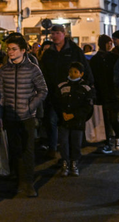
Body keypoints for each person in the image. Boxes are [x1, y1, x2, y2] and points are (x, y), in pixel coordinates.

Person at [0, 35, 48, 197]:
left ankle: (29, 183)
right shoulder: (4, 70)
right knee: (15, 150)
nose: (10, 52)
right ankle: (19, 182)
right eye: (8, 49)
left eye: (13, 49)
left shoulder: (33, 69)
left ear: (23, 51)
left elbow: (43, 90)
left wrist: (30, 107)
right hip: (10, 117)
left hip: (27, 117)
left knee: (28, 150)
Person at [39, 25, 94, 161]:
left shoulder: (74, 50)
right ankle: (53, 148)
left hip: (72, 93)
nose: (54, 36)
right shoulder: (49, 53)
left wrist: (87, 87)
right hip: (53, 93)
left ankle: (70, 154)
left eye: (57, 33)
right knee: (51, 120)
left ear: (64, 34)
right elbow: (43, 72)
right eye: (53, 33)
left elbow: (85, 70)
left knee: (69, 123)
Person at [54, 62, 94, 177]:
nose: (72, 74)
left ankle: (74, 162)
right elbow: (56, 102)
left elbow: (88, 106)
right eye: (71, 71)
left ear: (81, 74)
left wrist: (75, 115)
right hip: (63, 120)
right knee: (63, 142)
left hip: (78, 121)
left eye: (75, 72)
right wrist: (62, 113)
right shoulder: (62, 86)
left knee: (76, 143)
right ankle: (65, 162)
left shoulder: (85, 88)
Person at [89, 35, 119, 154]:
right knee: (105, 119)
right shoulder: (95, 60)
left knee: (113, 117)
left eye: (111, 43)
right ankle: (107, 142)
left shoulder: (114, 57)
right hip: (101, 92)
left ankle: (117, 137)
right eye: (108, 43)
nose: (110, 45)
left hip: (112, 92)